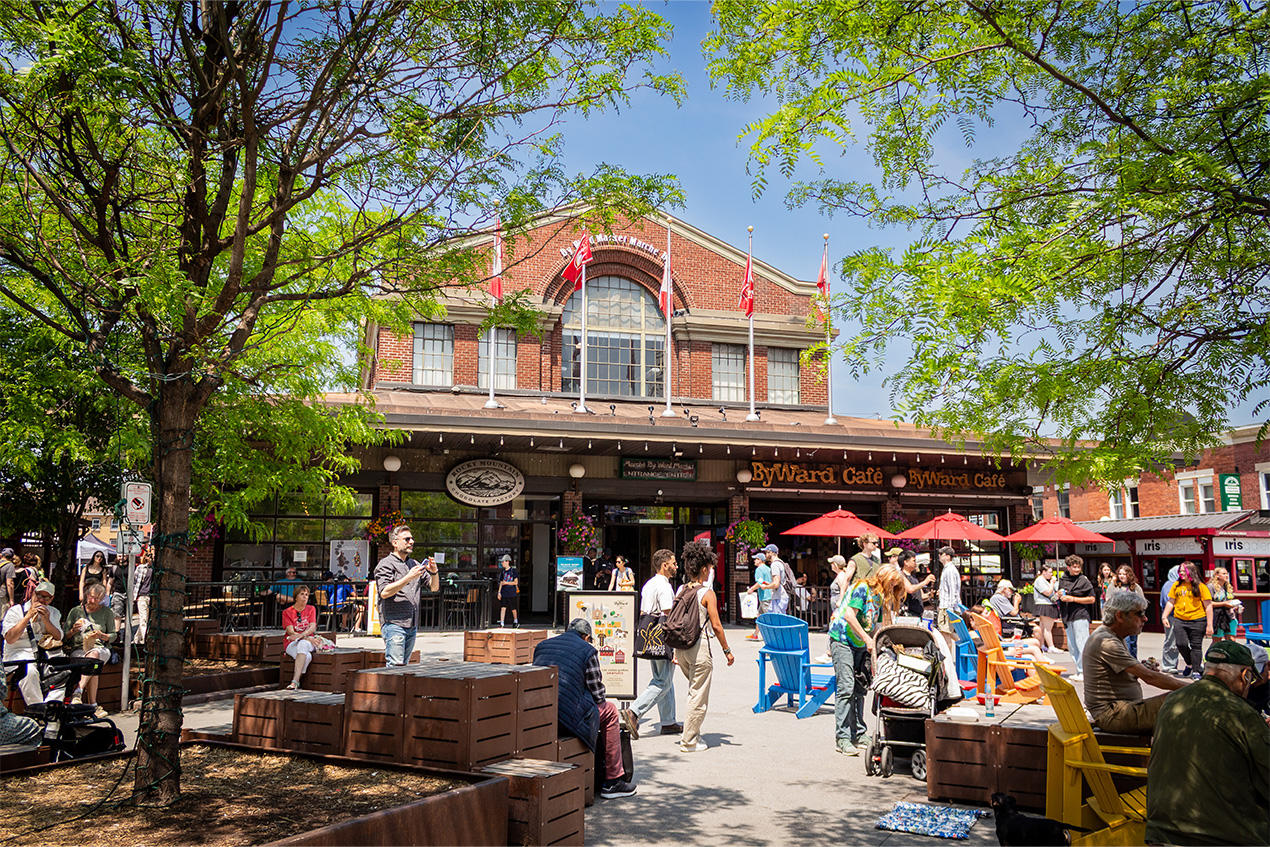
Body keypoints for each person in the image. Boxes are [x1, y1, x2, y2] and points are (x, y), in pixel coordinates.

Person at [1145, 641, 1269, 847]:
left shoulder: (1172, 701)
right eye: (1251, 679)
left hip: (1161, 831)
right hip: (1221, 836)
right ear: (1245, 675)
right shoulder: (1241, 712)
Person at [533, 618, 637, 798]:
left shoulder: (542, 646)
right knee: (611, 710)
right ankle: (613, 781)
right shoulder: (588, 651)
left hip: (541, 713)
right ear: (587, 636)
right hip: (567, 718)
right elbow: (597, 693)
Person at [1082, 590, 1189, 733]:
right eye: (1139, 614)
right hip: (1113, 715)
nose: (1145, 619)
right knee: (1181, 699)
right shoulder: (1107, 641)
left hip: (1120, 710)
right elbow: (1150, 678)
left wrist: (1141, 668)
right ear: (1119, 615)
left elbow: (1124, 674)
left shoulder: (1112, 636)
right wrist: (1196, 689)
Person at [673, 540, 733, 753]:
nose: (711, 571)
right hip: (699, 648)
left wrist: (674, 651)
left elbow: (676, 620)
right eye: (710, 567)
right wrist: (727, 651)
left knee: (693, 691)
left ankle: (693, 733)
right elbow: (716, 626)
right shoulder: (707, 594)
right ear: (704, 568)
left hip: (681, 650)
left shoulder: (680, 589)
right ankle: (689, 741)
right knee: (698, 696)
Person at [623, 548, 681, 738]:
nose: (676, 566)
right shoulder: (664, 586)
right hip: (662, 635)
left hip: (649, 635)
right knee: (662, 681)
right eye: (673, 563)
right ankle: (634, 712)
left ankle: (668, 721)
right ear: (665, 565)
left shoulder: (649, 584)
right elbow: (668, 613)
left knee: (664, 678)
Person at [374, 524, 440, 667]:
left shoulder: (414, 564)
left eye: (412, 539)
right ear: (395, 543)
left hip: (412, 625)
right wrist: (408, 578)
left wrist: (434, 572)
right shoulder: (385, 564)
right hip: (394, 623)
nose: (412, 542)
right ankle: (390, 689)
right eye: (407, 539)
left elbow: (434, 588)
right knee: (395, 666)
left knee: (403, 666)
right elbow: (384, 592)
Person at [2, 580, 62, 706]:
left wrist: (46, 621)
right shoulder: (15, 611)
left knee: (64, 671)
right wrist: (27, 617)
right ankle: (38, 709)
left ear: (51, 599)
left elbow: (58, 637)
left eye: (45, 597)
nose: (41, 600)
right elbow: (10, 638)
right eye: (38, 595)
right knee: (29, 671)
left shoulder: (53, 612)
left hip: (45, 655)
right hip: (19, 654)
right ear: (33, 594)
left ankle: (52, 712)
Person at [63, 582, 116, 717]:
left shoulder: (107, 612)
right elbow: (65, 637)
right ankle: (93, 705)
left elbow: (113, 635)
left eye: (97, 599)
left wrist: (102, 636)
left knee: (95, 654)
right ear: (86, 595)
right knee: (93, 663)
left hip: (100, 647)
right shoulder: (76, 611)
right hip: (80, 648)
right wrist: (73, 630)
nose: (93, 601)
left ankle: (78, 691)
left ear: (102, 599)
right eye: (91, 597)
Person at [1161, 562, 1212, 678]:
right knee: (1181, 644)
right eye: (1180, 571)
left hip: (1198, 620)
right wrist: (1164, 616)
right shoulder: (1176, 585)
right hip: (1180, 620)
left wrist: (1210, 625)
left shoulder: (1201, 587)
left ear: (1191, 572)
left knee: (1196, 646)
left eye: (1184, 571)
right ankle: (1190, 663)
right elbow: (1171, 602)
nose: (1181, 573)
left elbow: (1208, 606)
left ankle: (1196, 670)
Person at [1056, 554, 1096, 678]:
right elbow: (1060, 595)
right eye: (1074, 567)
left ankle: (1085, 672)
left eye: (1079, 567)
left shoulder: (1083, 580)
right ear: (1068, 567)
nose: (1077, 569)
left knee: (1082, 643)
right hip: (1067, 615)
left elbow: (1092, 599)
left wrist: (1073, 599)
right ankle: (1079, 670)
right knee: (1072, 646)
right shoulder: (1063, 580)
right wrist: (1058, 595)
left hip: (1080, 614)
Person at [282, 584, 318, 690]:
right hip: (291, 643)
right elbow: (290, 631)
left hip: (308, 641)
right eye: (302, 594)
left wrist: (303, 636)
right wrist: (305, 637)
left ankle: (294, 682)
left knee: (303, 644)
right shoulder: (287, 612)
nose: (305, 597)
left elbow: (313, 627)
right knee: (307, 657)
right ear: (296, 597)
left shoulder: (311, 609)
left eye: (307, 594)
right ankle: (298, 681)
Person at [1110, 565, 1145, 657]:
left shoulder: (1136, 587)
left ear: (1129, 575)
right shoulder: (1114, 586)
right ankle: (1127, 665)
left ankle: (1134, 663)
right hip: (1121, 619)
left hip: (1134, 619)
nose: (1121, 576)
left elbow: (1143, 602)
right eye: (1120, 574)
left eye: (1124, 574)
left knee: (1133, 643)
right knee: (1126, 642)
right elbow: (1108, 601)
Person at [744, 551, 774, 641]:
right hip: (769, 595)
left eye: (756, 559)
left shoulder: (759, 570)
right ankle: (755, 634)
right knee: (759, 616)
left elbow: (760, 582)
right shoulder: (768, 568)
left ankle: (771, 638)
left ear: (760, 560)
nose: (754, 561)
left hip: (765, 597)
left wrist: (751, 589)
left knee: (768, 618)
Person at [1031, 563, 1060, 652]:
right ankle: (1051, 646)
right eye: (1050, 572)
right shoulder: (1040, 580)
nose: (1051, 575)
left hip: (1046, 604)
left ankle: (1042, 645)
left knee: (1043, 627)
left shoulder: (1044, 580)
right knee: (1048, 627)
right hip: (1044, 605)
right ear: (1044, 572)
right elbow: (1047, 592)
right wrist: (1052, 583)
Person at [1158, 564, 1182, 672]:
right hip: (1172, 616)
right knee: (1171, 641)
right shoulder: (1169, 585)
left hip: (1182, 616)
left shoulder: (1182, 584)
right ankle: (1169, 665)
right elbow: (1168, 601)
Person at [935, 546, 962, 640]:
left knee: (945, 634)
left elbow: (953, 590)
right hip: (947, 606)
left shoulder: (950, 570)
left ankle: (948, 655)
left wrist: (950, 609)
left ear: (947, 556)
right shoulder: (948, 569)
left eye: (941, 554)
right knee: (946, 633)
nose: (939, 556)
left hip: (947, 607)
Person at [1207, 566, 1239, 640]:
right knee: (1217, 641)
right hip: (1218, 617)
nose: (1226, 575)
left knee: (1231, 640)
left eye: (1227, 573)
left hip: (1230, 616)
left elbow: (1230, 601)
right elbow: (1208, 603)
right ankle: (1211, 652)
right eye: (1224, 573)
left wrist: (1235, 606)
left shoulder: (1228, 587)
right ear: (1217, 575)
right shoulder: (1210, 587)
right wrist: (1224, 604)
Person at [899, 551, 933, 618]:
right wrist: (925, 582)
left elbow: (922, 596)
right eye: (913, 561)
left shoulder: (913, 577)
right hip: (908, 614)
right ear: (905, 562)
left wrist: (930, 594)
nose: (915, 563)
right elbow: (910, 589)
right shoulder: (901, 576)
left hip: (917, 614)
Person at [132, 547, 153, 648]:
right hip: (142, 596)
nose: (151, 557)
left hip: (152, 597)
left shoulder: (157, 569)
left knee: (146, 619)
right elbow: (135, 582)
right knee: (143, 619)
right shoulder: (141, 568)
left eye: (152, 555)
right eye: (149, 555)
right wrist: (134, 596)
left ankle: (136, 639)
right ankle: (146, 641)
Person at [763, 543, 793, 614]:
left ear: (771, 553)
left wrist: (766, 587)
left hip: (779, 597)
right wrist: (770, 584)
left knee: (777, 621)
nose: (765, 555)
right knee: (774, 619)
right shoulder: (780, 562)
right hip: (780, 596)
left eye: (766, 552)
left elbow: (776, 584)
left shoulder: (775, 565)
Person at [497, 554, 520, 628]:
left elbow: (516, 582)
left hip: (512, 592)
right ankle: (502, 622)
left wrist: (506, 583)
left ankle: (515, 621)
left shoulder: (513, 571)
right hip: (504, 592)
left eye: (503, 562)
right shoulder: (503, 572)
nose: (502, 563)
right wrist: (499, 592)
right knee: (503, 607)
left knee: (513, 608)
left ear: (507, 562)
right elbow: (501, 582)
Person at [0, 548, 16, 621]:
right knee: (2, 616)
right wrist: (11, 599)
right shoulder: (9, 565)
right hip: (2, 594)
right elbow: (10, 583)